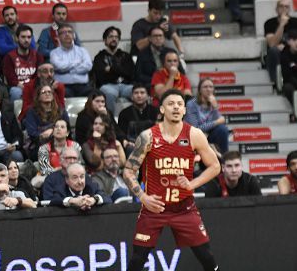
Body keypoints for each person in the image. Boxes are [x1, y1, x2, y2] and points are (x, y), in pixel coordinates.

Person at [122, 90, 221, 271]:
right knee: (137, 260)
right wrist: (143, 197)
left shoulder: (194, 134)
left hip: (184, 207)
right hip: (154, 207)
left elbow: (215, 166)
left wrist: (192, 184)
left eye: (179, 104)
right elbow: (128, 170)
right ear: (162, 109)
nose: (176, 107)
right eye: (171, 104)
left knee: (207, 257)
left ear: (184, 110)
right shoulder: (148, 137)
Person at [93, 26, 135, 112]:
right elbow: (101, 77)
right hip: (108, 86)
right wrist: (120, 70)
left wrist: (111, 69)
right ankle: (110, 119)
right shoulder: (99, 57)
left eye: (116, 37)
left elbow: (131, 74)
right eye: (111, 37)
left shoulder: (126, 56)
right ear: (105, 40)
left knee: (138, 91)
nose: (114, 39)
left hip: (125, 86)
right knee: (109, 93)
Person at [186, 78, 231, 155]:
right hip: (194, 135)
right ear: (199, 90)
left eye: (211, 87)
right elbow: (196, 128)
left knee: (222, 130)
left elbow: (220, 123)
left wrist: (215, 107)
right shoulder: (191, 104)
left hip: (209, 134)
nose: (208, 89)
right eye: (205, 87)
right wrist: (216, 122)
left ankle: (225, 159)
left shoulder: (213, 102)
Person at [22, 84, 70, 152]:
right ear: (38, 97)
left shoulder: (61, 111)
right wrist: (43, 135)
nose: (47, 94)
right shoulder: (32, 112)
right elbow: (32, 133)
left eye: (49, 92)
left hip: (59, 143)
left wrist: (53, 131)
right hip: (38, 145)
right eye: (44, 92)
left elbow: (68, 129)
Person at [2, 24, 43, 101]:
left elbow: (39, 75)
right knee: (15, 92)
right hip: (17, 87)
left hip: (34, 86)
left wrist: (30, 86)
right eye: (23, 37)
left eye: (29, 37)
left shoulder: (37, 55)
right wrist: (24, 86)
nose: (26, 40)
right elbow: (11, 79)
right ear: (16, 38)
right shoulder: (9, 56)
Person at [50, 23, 93, 96]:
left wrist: (68, 70)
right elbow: (59, 67)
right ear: (59, 37)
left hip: (83, 86)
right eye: (63, 33)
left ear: (74, 35)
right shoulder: (54, 53)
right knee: (62, 93)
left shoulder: (82, 51)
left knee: (97, 94)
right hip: (63, 86)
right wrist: (78, 63)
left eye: (69, 32)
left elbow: (88, 66)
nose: (67, 34)